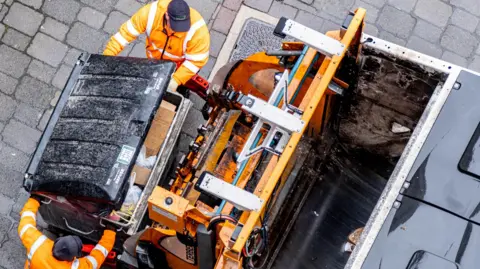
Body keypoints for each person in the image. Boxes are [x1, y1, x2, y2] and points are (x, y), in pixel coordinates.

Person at [104, 0, 210, 93]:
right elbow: (123, 36)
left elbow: (196, 61)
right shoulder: (150, 14)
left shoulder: (198, 31)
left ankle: (183, 90)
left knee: (181, 86)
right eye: (175, 26)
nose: (178, 30)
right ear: (167, 15)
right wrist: (106, 58)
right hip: (154, 61)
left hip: (179, 66)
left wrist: (176, 80)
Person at [18, 196, 116, 269]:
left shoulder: (37, 245)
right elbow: (98, 255)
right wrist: (110, 231)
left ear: (56, 242)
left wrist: (34, 199)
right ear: (72, 258)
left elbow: (26, 224)